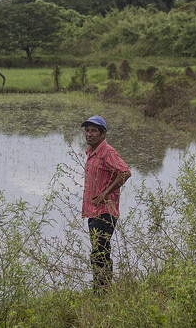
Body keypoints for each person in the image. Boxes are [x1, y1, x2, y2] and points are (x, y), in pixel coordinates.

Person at [80, 115, 131, 291]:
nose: (89, 134)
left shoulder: (107, 152)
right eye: (87, 130)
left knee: (100, 253)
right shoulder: (91, 152)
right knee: (99, 253)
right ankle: (102, 289)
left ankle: (102, 292)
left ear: (103, 134)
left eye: (94, 131)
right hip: (94, 212)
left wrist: (105, 193)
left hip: (104, 212)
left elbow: (125, 172)